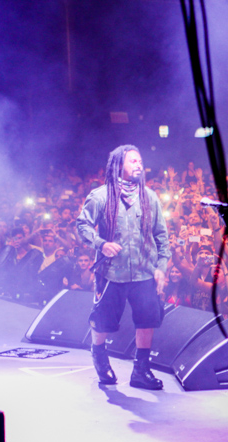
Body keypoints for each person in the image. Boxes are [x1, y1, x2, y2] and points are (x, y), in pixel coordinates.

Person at [76, 145, 170, 390]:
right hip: (111, 273)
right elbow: (82, 225)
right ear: (119, 165)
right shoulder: (101, 196)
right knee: (103, 322)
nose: (139, 164)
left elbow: (161, 236)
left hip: (144, 272)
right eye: (133, 161)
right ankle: (99, 356)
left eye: (140, 160)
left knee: (147, 320)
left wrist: (161, 267)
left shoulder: (149, 197)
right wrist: (101, 244)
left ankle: (141, 371)